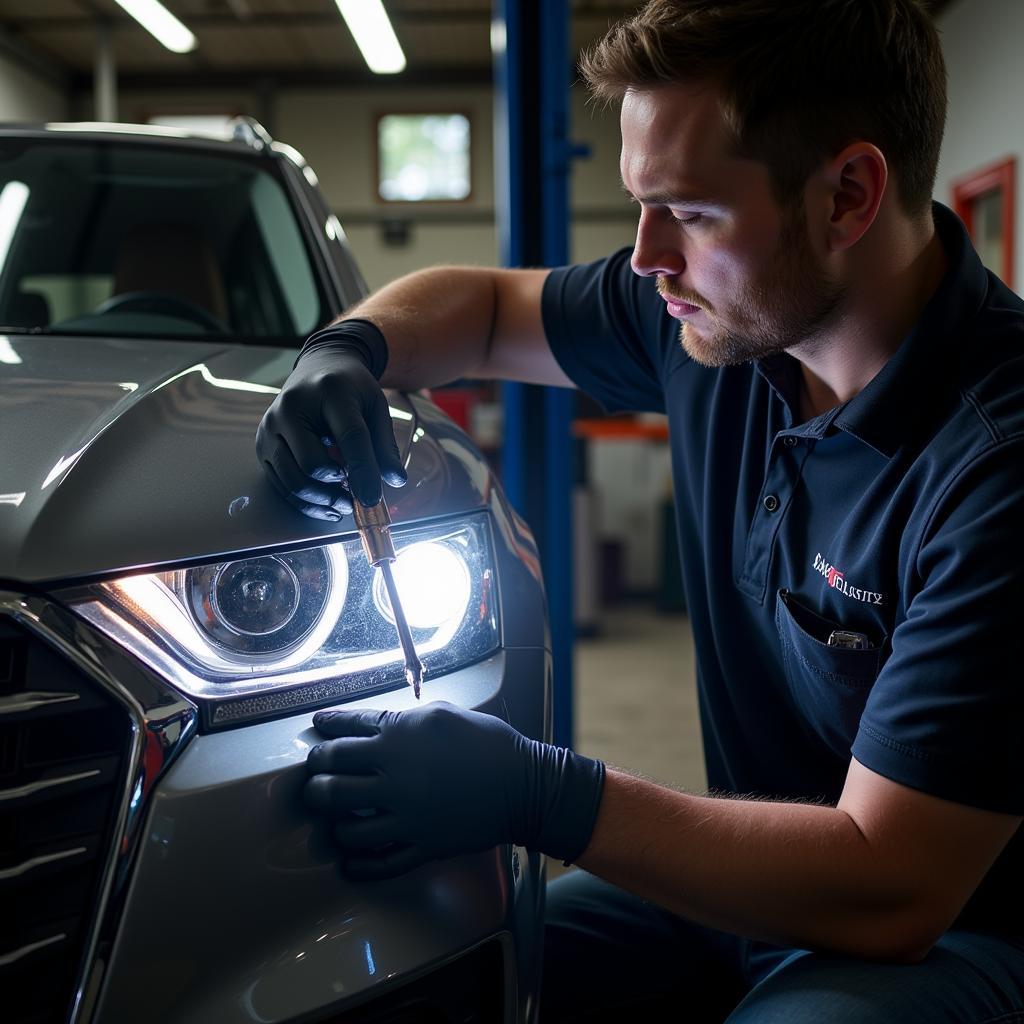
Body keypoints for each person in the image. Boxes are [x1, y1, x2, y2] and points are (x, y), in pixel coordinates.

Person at [255, 1, 1024, 1019]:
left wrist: (543, 794)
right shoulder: (718, 320)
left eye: (691, 212)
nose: (647, 253)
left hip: (948, 934)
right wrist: (346, 348)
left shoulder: (995, 464)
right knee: (424, 975)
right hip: (742, 884)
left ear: (847, 196)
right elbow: (484, 307)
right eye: (640, 203)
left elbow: (890, 885)